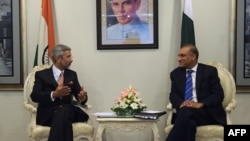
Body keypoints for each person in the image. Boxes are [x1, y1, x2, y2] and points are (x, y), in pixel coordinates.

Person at [165, 44, 227, 141]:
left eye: (182, 55)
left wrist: (200, 104)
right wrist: (181, 103)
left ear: (193, 57)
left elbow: (218, 94)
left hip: (206, 113)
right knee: (189, 123)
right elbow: (173, 95)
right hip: (185, 113)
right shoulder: (175, 74)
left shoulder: (209, 71)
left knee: (185, 112)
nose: (179, 59)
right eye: (178, 55)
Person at [30, 44, 89, 141]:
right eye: (68, 56)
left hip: (69, 112)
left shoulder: (72, 75)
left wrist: (82, 97)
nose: (71, 59)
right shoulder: (42, 75)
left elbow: (80, 96)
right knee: (62, 117)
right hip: (48, 114)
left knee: (64, 111)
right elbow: (34, 96)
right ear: (59, 59)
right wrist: (54, 94)